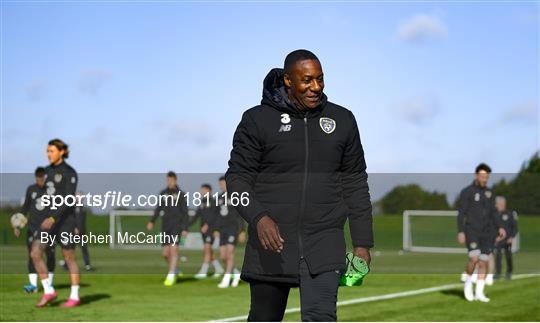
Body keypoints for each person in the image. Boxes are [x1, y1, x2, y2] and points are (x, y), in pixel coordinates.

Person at [226, 49, 373, 321]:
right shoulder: (256, 120)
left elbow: (355, 183)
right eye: (307, 80)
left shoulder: (343, 120)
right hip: (272, 245)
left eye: (320, 79)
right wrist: (258, 218)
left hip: (324, 242)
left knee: (321, 317)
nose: (315, 87)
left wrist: (362, 242)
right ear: (288, 80)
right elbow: (236, 181)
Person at [33, 138, 81, 307]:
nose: (48, 154)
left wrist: (53, 217)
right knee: (35, 253)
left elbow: (68, 200)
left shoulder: (70, 172)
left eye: (51, 151)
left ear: (61, 152)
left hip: (65, 221)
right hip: (48, 222)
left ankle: (74, 296)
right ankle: (49, 291)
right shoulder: (45, 172)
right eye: (47, 151)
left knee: (69, 257)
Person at [457, 163, 506, 302]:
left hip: (487, 233)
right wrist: (461, 231)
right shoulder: (467, 192)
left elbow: (494, 213)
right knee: (474, 259)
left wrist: (501, 227)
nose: (485, 179)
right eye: (482, 176)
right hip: (472, 230)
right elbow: (461, 213)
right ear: (476, 175)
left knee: (484, 262)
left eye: (487, 177)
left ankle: (479, 292)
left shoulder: (490, 193)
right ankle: (467, 284)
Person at [14, 167, 56, 294]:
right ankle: (33, 286)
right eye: (39, 178)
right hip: (33, 228)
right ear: (36, 178)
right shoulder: (31, 189)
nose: (41, 181)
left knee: (50, 254)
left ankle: (49, 284)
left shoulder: (52, 191)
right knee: (32, 255)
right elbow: (25, 207)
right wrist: (17, 225)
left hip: (49, 230)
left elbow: (58, 208)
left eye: (43, 178)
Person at [146, 171, 189, 286]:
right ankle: (175, 270)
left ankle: (170, 275)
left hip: (177, 226)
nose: (169, 182)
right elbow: (158, 208)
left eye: (171, 180)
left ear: (175, 180)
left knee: (173, 250)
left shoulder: (181, 194)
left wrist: (185, 228)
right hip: (166, 226)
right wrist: (152, 221)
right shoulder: (163, 193)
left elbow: (185, 212)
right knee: (165, 253)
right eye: (167, 180)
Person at [216, 176, 246, 288]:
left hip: (232, 229)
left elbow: (241, 215)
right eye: (220, 184)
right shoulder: (219, 198)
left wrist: (242, 231)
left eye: (224, 184)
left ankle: (227, 278)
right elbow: (217, 216)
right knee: (223, 256)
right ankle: (236, 274)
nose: (222, 186)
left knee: (230, 253)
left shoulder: (235, 197)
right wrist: (215, 229)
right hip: (222, 230)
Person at [193, 184, 224, 279]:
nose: (201, 192)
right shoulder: (202, 202)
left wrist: (208, 225)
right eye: (201, 190)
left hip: (211, 230)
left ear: (209, 191)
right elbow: (196, 215)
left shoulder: (214, 202)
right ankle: (219, 269)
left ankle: (203, 272)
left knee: (207, 249)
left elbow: (215, 216)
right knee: (208, 251)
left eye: (203, 190)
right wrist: (185, 226)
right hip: (204, 231)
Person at [494, 196, 518, 280]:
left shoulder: (509, 214)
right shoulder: (494, 214)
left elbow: (515, 227)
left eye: (502, 203)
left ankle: (509, 272)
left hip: (508, 240)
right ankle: (497, 273)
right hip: (498, 240)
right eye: (499, 203)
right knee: (498, 257)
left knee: (508, 256)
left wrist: (511, 237)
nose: (500, 205)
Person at [74, 192, 94, 271]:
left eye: (82, 196)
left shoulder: (82, 208)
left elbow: (82, 220)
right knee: (70, 249)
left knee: (84, 248)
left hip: (82, 232)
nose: (81, 197)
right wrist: (74, 227)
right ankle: (66, 263)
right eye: (79, 195)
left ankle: (87, 265)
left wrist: (81, 229)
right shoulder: (71, 207)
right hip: (73, 232)